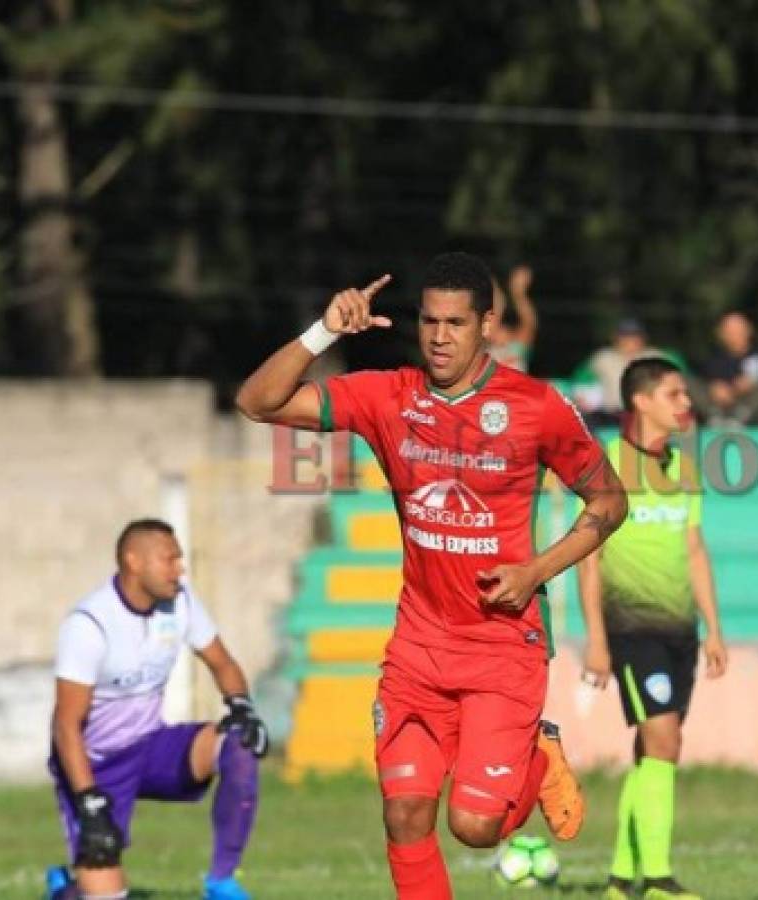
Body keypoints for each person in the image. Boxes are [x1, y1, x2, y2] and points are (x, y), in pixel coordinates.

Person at [235, 251, 628, 900]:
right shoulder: (388, 397)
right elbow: (257, 402)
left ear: (487, 326)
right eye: (429, 322)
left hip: (502, 648)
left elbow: (610, 503)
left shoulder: (535, 407)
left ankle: (537, 752)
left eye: (456, 323)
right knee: (403, 813)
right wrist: (323, 331)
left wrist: (535, 570)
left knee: (474, 826)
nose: (440, 337)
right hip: (418, 649)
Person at [45, 519, 267, 900]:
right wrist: (89, 798)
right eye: (170, 559)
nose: (180, 568)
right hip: (96, 766)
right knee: (106, 897)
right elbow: (66, 726)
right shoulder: (89, 624)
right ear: (134, 561)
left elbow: (223, 663)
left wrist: (242, 706)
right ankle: (66, 889)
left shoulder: (180, 601)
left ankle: (221, 882)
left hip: (151, 747)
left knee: (238, 743)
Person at [577, 357, 729, 900]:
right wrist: (595, 640)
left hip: (679, 631)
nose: (685, 404)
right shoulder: (607, 465)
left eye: (685, 394)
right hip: (630, 627)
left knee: (652, 748)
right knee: (664, 737)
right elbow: (588, 558)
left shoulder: (684, 468)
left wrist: (713, 627)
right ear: (641, 402)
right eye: (674, 394)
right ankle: (660, 880)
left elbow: (693, 548)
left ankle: (621, 879)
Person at [573, 318, 681, 430]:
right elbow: (580, 381)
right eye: (625, 337)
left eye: (634, 336)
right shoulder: (602, 359)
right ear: (616, 338)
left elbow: (679, 378)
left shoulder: (657, 357)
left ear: (643, 338)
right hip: (611, 416)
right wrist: (582, 397)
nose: (630, 341)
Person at [703, 311, 758, 427]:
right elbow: (704, 380)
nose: (734, 334)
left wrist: (752, 381)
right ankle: (714, 415)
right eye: (729, 331)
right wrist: (714, 387)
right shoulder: (712, 359)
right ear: (720, 334)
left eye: (738, 329)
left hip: (751, 410)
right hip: (720, 407)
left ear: (749, 330)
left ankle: (741, 415)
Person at [489, 264, 539, 371]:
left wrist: (518, 292)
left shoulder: (516, 348)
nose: (502, 331)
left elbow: (529, 323)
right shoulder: (486, 348)